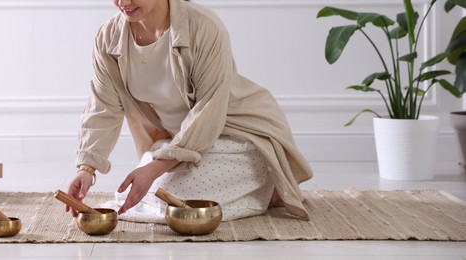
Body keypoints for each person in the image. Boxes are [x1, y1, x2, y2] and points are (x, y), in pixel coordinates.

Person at [66, 0, 313, 221]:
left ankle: (269, 186)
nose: (123, 2)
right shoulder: (108, 37)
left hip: (240, 134)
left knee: (171, 192)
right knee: (151, 189)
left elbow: (209, 110)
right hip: (182, 142)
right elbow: (103, 106)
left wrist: (155, 168)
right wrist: (87, 169)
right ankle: (249, 188)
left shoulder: (204, 27)